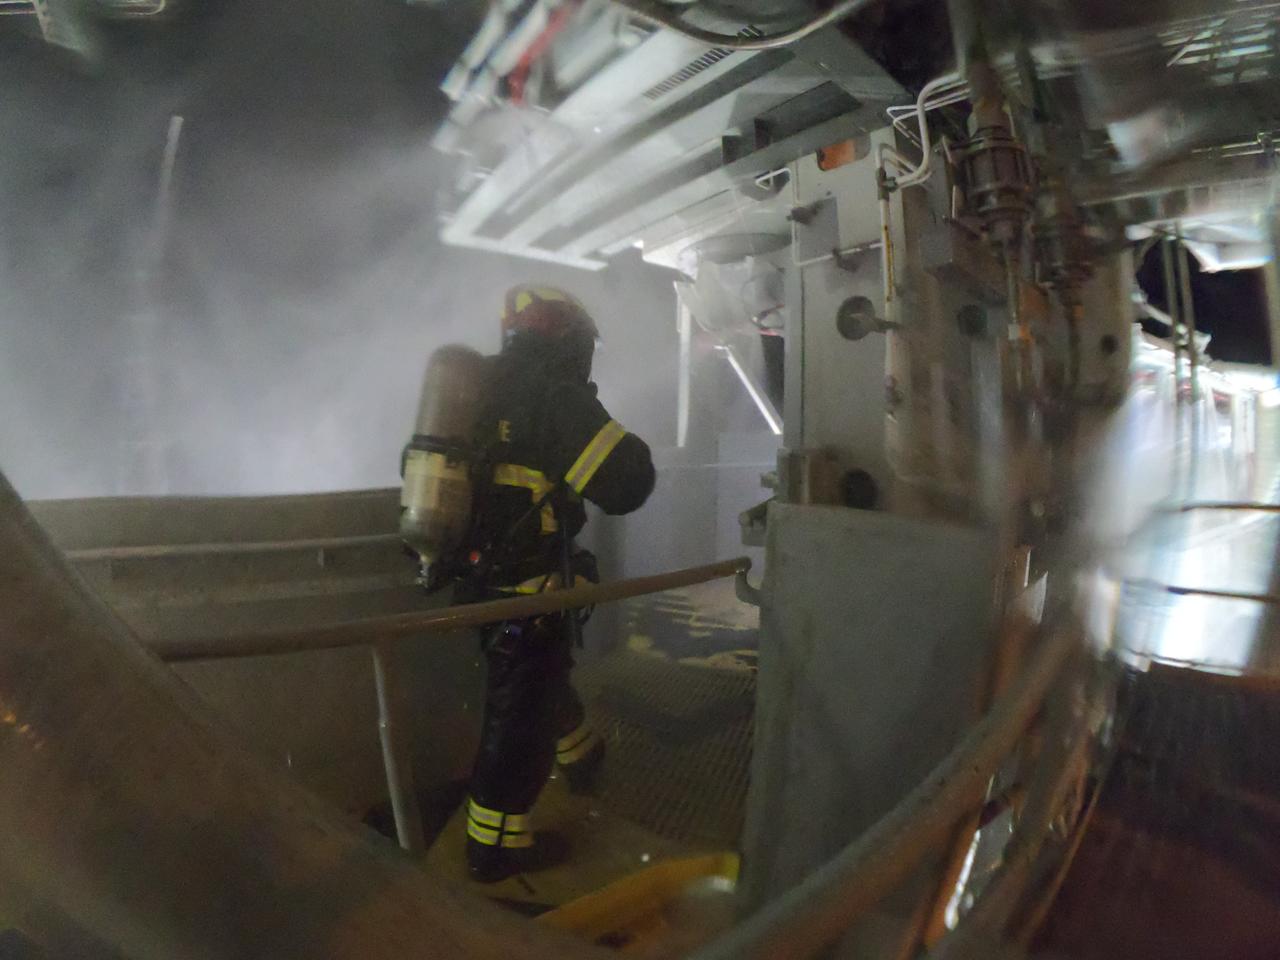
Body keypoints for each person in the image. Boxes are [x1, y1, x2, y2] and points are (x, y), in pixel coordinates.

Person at [457, 284, 655, 883]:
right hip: (528, 588)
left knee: (539, 682)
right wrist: (591, 415)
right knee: (518, 714)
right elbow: (626, 483)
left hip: (475, 582)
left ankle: (583, 754)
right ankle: (493, 848)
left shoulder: (478, 386)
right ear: (567, 337)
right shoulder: (551, 394)